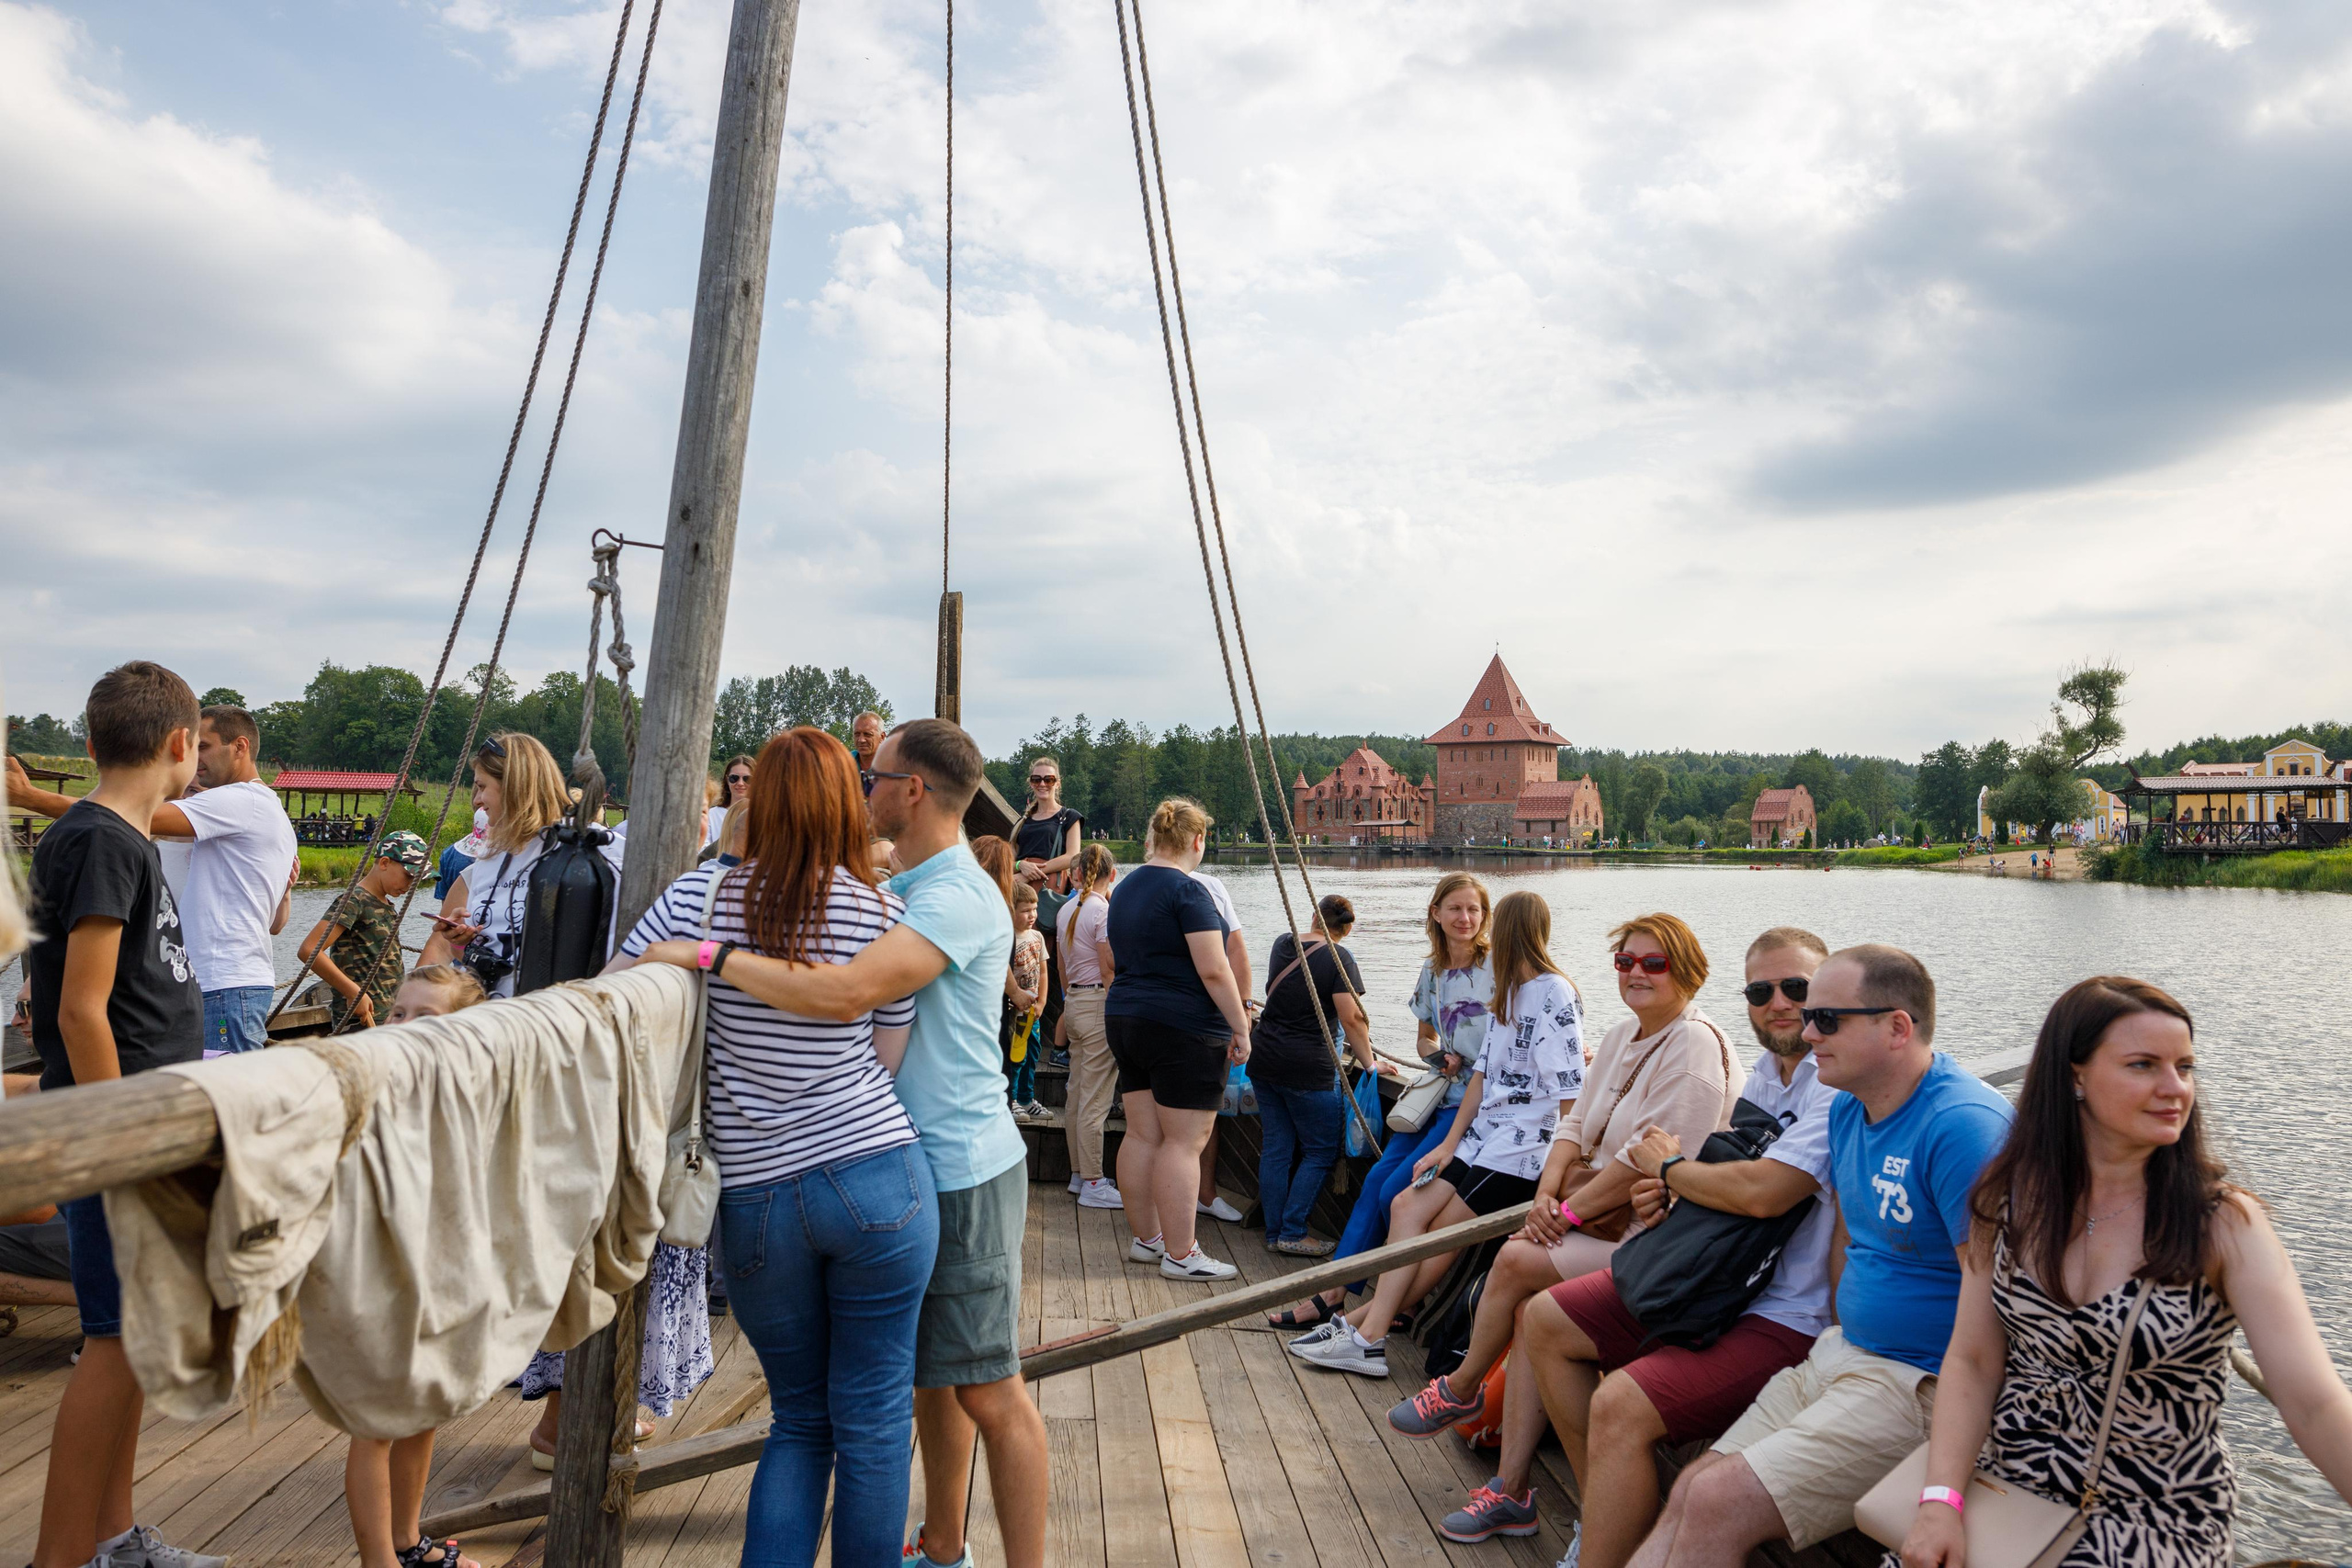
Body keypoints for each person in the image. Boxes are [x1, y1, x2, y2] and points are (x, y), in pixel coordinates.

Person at [594, 728, 940, 1568]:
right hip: (877, 1172)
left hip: (753, 1195)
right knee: (875, 1417)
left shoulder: (696, 902)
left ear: (757, 802)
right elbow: (887, 1055)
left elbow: (612, 1001)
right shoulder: (878, 909)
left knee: (800, 1421)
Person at [724, 718, 1046, 1568]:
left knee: (990, 1385)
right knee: (934, 1377)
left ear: (913, 791)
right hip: (906, 1165)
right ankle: (942, 1549)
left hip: (958, 1166)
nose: (863, 788)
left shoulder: (950, 896)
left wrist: (711, 953)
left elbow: (852, 991)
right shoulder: (909, 885)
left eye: (873, 775)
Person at [1896, 977, 2352, 1568]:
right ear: (2074, 1076)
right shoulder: (2007, 1199)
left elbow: (2313, 1402)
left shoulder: (2221, 1225)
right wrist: (1941, 1501)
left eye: (2184, 1067)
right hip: (2010, 1494)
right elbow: (1974, 1360)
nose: (2175, 1089)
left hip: (2158, 1519)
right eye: (2144, 1066)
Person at [1628, 944, 2012, 1568]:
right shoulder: (1847, 1109)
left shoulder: (1962, 1128)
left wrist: (1946, 1484)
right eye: (1811, 1017)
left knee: (1718, 1500)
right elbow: (1852, 1240)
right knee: (1696, 1486)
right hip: (1843, 1352)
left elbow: (1997, 1299)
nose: (1807, 1032)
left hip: (1919, 1382)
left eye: (1827, 1019)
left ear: (1897, 1027)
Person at [1495, 928, 1837, 1564]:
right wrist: (1669, 1196)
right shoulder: (1766, 1077)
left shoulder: (1835, 1084)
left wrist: (1672, 1171)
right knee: (1544, 1318)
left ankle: (1607, 1537)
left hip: (1785, 1308)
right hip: (1727, 1276)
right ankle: (1610, 1512)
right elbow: (1721, 1180)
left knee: (1620, 1399)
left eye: (1797, 987)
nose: (1779, 1003)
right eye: (1761, 990)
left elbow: (1765, 1192)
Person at [1385, 912, 1736, 1516]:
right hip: (1595, 1216)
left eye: (1654, 963)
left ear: (1687, 968)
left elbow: (1640, 1165)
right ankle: (1512, 1488)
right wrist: (1548, 1196)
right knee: (1529, 1312)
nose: (1636, 973)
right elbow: (1573, 1124)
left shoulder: (1694, 1046)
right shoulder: (1627, 1032)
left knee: (1520, 1257)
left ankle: (1464, 1387)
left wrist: (1562, 1214)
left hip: (1657, 1234)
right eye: (1626, 961)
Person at [21, 660, 224, 1568]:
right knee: (111, 1345)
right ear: (183, 745)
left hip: (136, 1125)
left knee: (134, 1341)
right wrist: (123, 1146)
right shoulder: (106, 843)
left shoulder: (112, 840)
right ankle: (63, 1555)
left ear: (93, 744)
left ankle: (113, 1538)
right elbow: (78, 1010)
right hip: (118, 1138)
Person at [1291, 890, 1583, 1379]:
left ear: (1507, 933)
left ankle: (1363, 1332)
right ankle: (1361, 1327)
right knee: (1405, 1204)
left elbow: (1569, 1091)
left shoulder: (1554, 992)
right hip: (1482, 1137)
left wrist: (1560, 1172)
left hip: (1521, 1150)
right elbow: (1482, 1077)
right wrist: (1448, 1147)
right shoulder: (1506, 993)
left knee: (1442, 1235)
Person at [1266, 872, 1492, 1332]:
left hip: (1481, 1109)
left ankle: (1392, 1303)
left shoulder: (1501, 967)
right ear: (1436, 914)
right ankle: (1335, 1295)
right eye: (1455, 908)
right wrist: (1439, 1056)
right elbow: (1425, 1041)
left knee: (1394, 1193)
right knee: (1376, 1185)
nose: (1465, 917)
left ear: (1485, 916)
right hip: (1443, 1098)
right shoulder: (1433, 970)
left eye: (1474, 909)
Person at [8, 705, 298, 1054]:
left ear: (240, 747)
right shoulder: (247, 810)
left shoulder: (243, 800)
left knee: (222, 1098)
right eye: (191, 749)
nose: (194, 759)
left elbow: (126, 815)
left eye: (203, 746)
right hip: (211, 982)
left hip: (222, 982)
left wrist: (28, 797)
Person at [343, 960, 486, 1568]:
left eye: (425, 1018)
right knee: (377, 1423)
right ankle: (379, 1559)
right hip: (382, 1280)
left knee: (427, 1408)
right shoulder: (375, 1086)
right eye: (397, 1012)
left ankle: (407, 1541)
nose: (402, 1025)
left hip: (440, 1277)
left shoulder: (467, 1094)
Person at [1106, 798, 1254, 1282]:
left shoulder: (1124, 889)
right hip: (1182, 1027)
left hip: (1127, 1018)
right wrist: (1240, 1024)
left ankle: (1147, 1240)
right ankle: (1182, 1252)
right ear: (1197, 841)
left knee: (1143, 1132)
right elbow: (1214, 968)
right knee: (1185, 1142)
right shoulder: (1190, 893)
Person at [1250, 894, 1393, 1256]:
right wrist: (1371, 1063)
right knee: (1319, 1151)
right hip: (1308, 1068)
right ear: (1346, 929)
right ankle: (1293, 1232)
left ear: (1315, 916)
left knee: (1276, 1149)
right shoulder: (1339, 957)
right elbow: (1352, 1018)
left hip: (1265, 1059)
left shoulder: (1284, 944)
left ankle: (1273, 1231)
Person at [418, 734, 573, 998]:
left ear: (515, 786)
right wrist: (459, 942)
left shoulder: (586, 851)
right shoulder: (487, 862)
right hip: (491, 1020)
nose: (476, 800)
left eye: (481, 786)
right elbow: (471, 951)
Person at [296, 831, 432, 1031]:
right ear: (384, 863)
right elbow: (309, 950)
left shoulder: (385, 903)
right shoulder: (354, 900)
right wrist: (353, 992)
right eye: (408, 876)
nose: (411, 885)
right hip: (358, 1022)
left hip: (387, 1018)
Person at [1055, 843, 1122, 1210]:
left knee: (1078, 1095)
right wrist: (1116, 1007)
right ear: (1110, 875)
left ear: (1075, 874)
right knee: (1096, 1101)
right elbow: (1108, 964)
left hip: (1075, 1003)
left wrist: (1069, 1000)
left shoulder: (1067, 910)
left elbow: (1064, 966)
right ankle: (1095, 1182)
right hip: (1098, 1004)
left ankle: (1080, 1174)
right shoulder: (1103, 911)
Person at [1190, 863, 1251, 1225]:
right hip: (1195, 1020)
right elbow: (1231, 955)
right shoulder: (1207, 886)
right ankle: (1198, 1198)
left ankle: (1203, 1195)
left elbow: (1236, 951)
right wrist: (1241, 1021)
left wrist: (1242, 1008)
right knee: (1199, 1118)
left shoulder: (1210, 885)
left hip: (1183, 1018)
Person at [1002, 882, 1049, 1122]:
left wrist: (1042, 1002)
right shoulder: (1007, 939)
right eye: (1025, 910)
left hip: (1033, 1012)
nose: (1032, 915)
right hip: (1014, 1012)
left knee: (1033, 1053)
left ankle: (1026, 1098)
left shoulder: (1037, 937)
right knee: (1015, 1056)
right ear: (1011, 910)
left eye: (1035, 909)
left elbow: (1043, 972)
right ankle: (1011, 1100)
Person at [851, 710, 887, 774]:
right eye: (857, 734)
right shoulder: (843, 763)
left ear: (882, 737)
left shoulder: (894, 766)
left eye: (867, 734)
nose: (861, 740)